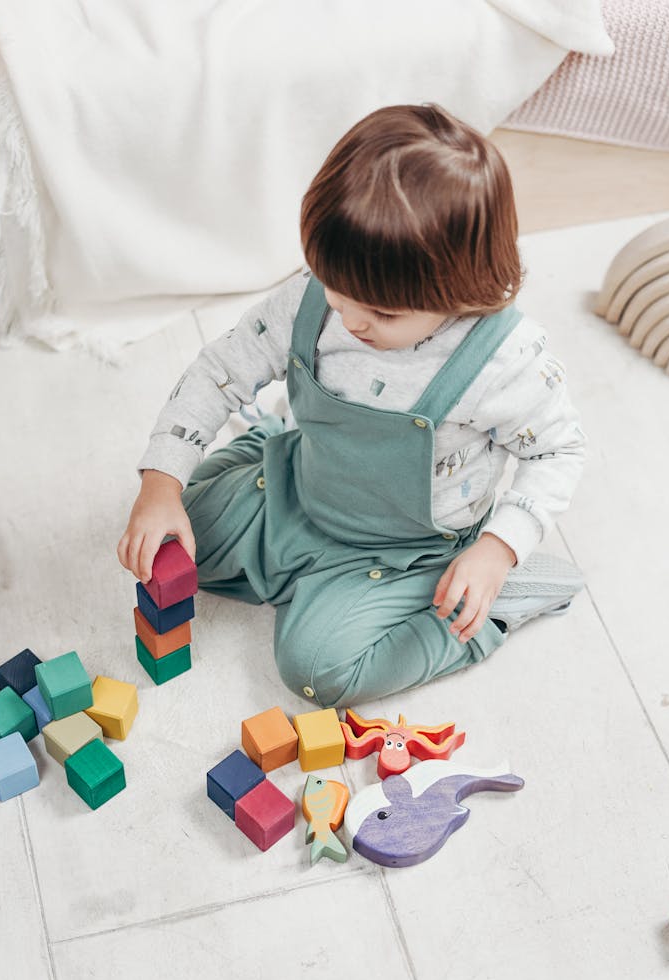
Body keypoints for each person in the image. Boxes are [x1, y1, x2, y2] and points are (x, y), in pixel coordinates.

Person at [118, 103, 586, 709]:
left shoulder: (503, 360)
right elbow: (219, 369)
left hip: (405, 551)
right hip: (302, 488)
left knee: (317, 669)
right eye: (335, 294)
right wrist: (160, 485)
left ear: (461, 287)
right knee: (175, 540)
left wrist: (498, 548)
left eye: (383, 313)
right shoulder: (318, 295)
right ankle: (267, 446)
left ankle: (500, 604)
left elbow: (560, 449)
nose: (352, 321)